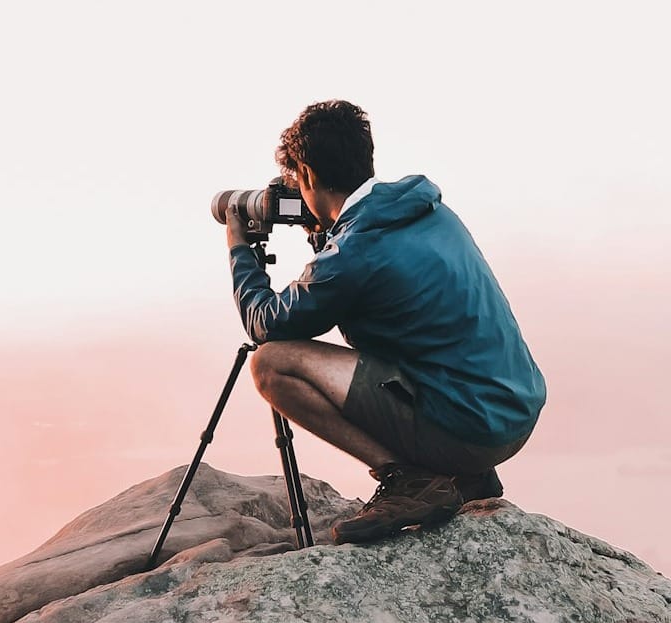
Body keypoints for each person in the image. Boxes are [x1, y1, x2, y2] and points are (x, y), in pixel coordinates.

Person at [225, 100, 546, 545]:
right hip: (512, 412)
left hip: (470, 428)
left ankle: (411, 481)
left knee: (270, 363)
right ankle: (463, 478)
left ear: (308, 176)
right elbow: (379, 287)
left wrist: (240, 248)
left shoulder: (355, 252)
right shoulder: (424, 210)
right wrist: (324, 233)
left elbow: (266, 323)